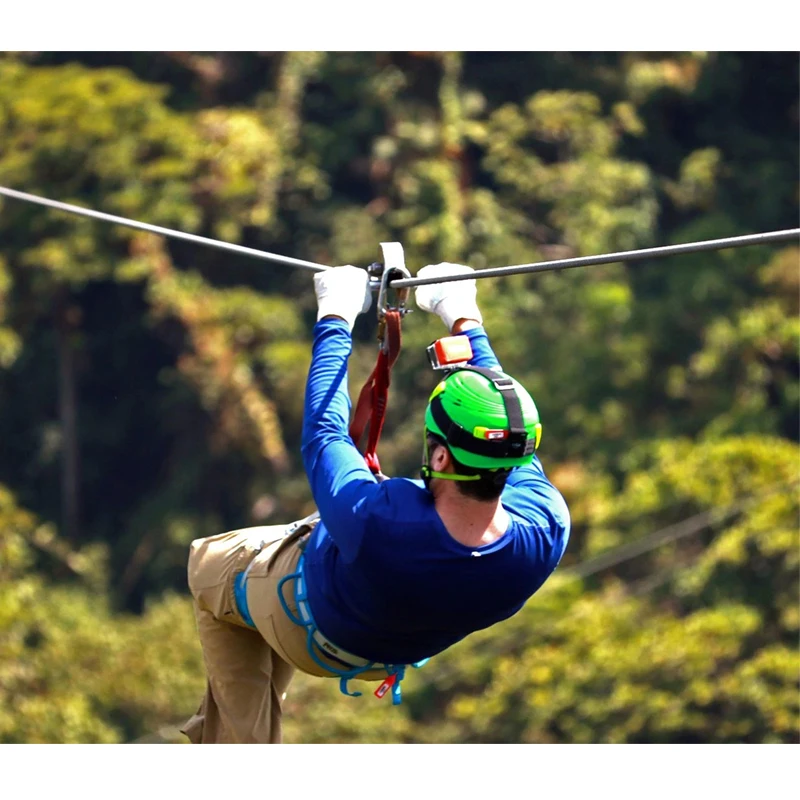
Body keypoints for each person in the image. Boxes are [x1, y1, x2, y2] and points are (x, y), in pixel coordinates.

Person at [181, 262, 570, 744]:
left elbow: (324, 431)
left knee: (207, 564)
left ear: (441, 455)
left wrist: (335, 317)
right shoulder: (545, 527)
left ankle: (242, 748)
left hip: (308, 625)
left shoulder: (380, 520)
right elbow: (505, 424)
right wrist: (463, 316)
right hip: (389, 651)